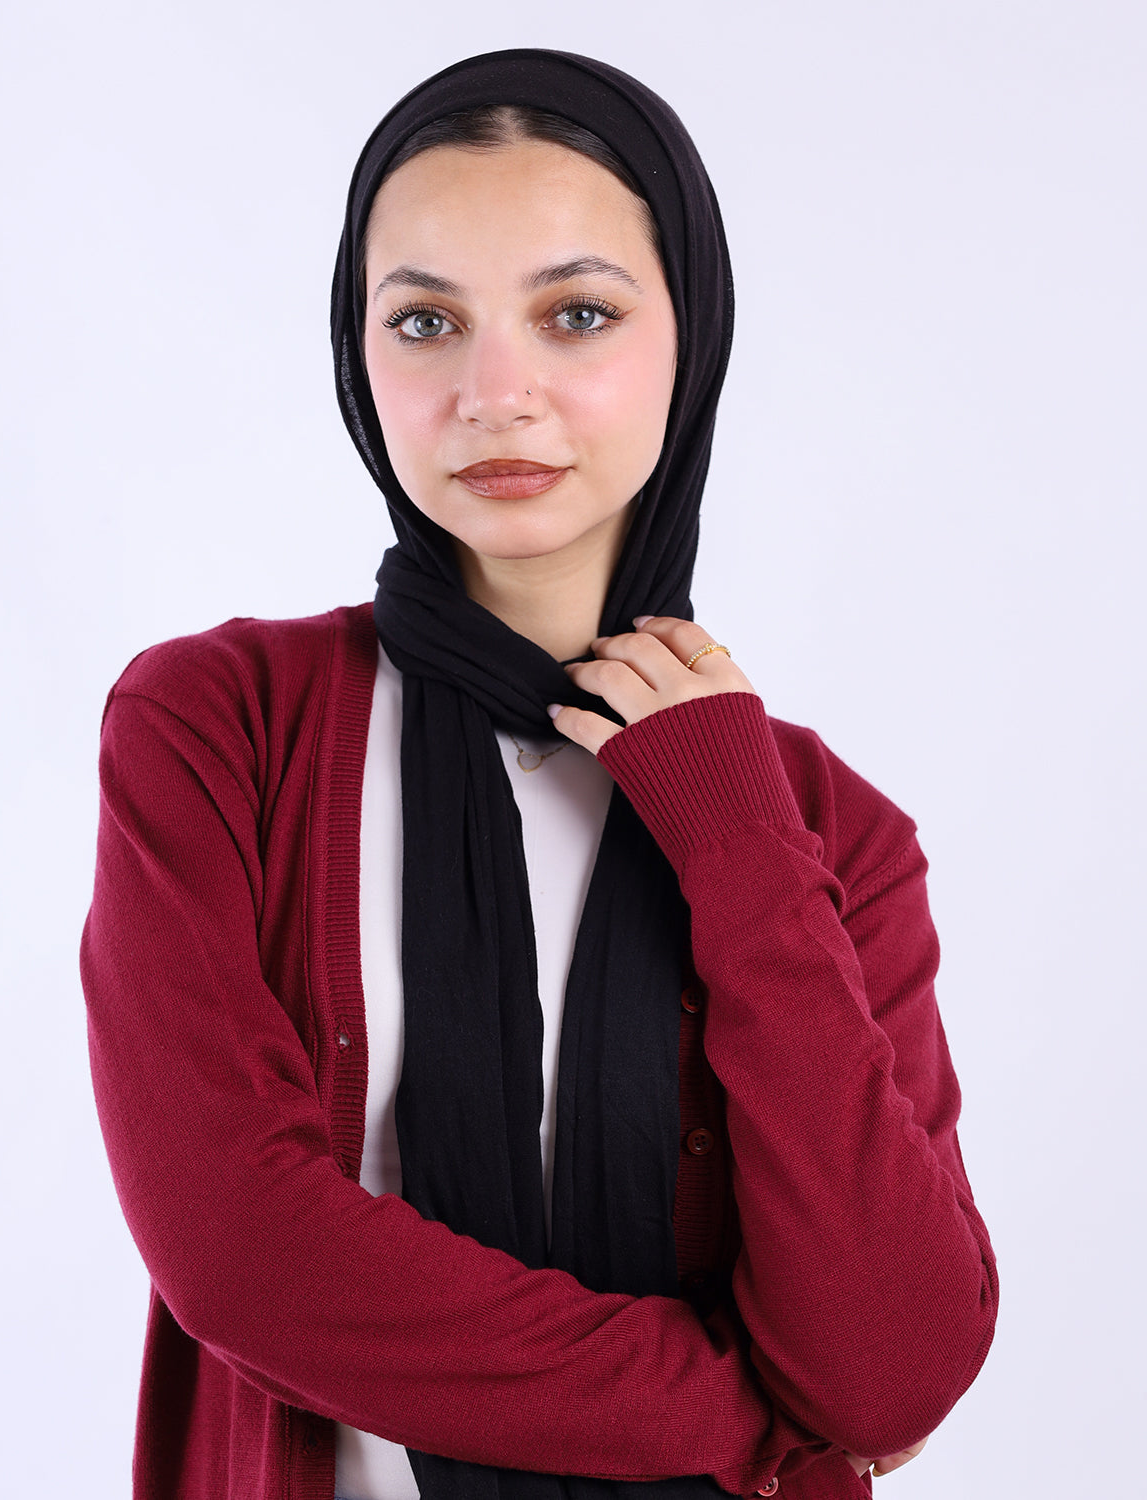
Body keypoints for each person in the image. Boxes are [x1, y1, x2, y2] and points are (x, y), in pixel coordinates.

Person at [82, 48, 997, 1500]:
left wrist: (738, 838)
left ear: (688, 341)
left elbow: (890, 1364)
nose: (494, 395)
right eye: (426, 322)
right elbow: (242, 1256)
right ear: (354, 356)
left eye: (576, 315)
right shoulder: (219, 731)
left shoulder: (824, 827)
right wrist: (748, 1421)